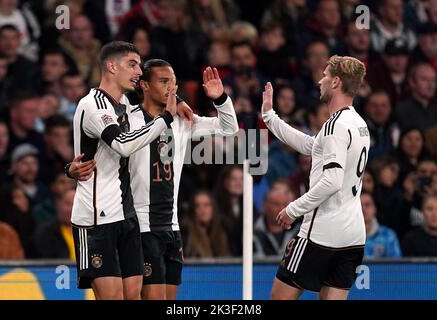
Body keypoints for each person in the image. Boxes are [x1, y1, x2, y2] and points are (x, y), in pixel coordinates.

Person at [69, 41, 178, 300]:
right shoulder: (93, 105)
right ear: (110, 66)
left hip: (127, 216)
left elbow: (151, 106)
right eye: (132, 64)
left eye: (139, 65)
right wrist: (166, 119)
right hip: (96, 219)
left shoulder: (126, 104)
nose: (139, 71)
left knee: (134, 296)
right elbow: (123, 144)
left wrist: (178, 103)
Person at [262, 55, 370, 300]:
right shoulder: (358, 123)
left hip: (322, 234)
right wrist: (270, 118)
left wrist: (293, 209)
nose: (320, 80)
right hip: (352, 235)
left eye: (325, 76)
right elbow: (314, 147)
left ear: (336, 82)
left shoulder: (335, 126)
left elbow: (332, 180)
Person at [129, 60, 238, 300]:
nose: (172, 88)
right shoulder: (129, 120)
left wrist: (220, 99)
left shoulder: (182, 121)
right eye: (164, 81)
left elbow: (229, 128)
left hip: (172, 226)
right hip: (142, 226)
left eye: (174, 83)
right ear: (145, 85)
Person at [361, 191, 402, 258]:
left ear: (374, 209)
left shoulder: (388, 235)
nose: (363, 209)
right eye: (360, 205)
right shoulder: (347, 236)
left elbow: (396, 266)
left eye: (367, 205)